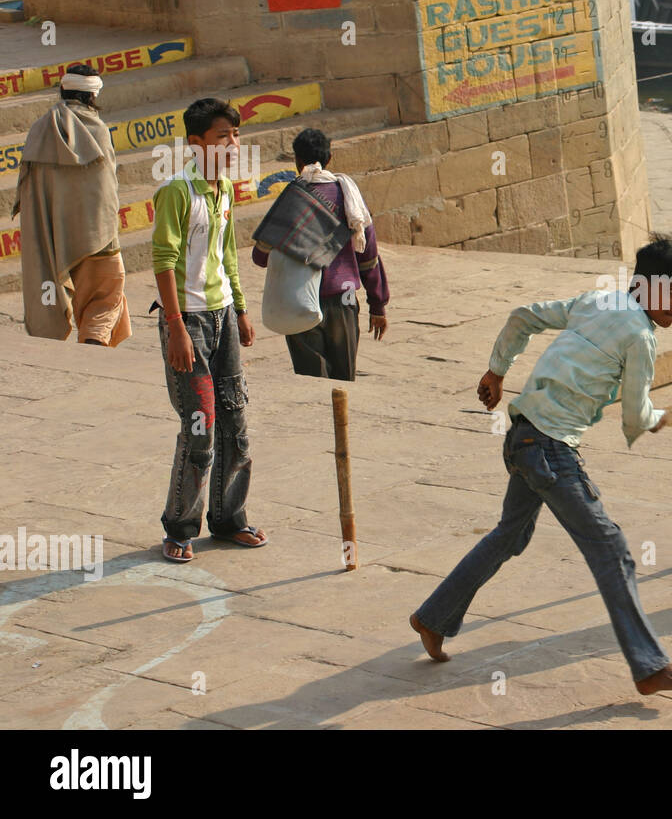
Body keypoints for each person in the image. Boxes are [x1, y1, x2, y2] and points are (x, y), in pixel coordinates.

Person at [410, 234, 672, 695]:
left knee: (510, 535)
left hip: (522, 438)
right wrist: (656, 418)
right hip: (549, 449)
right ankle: (649, 666)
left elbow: (523, 317)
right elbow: (634, 413)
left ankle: (433, 617)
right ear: (646, 286)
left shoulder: (598, 301)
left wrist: (497, 369)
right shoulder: (641, 338)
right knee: (611, 549)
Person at [151, 98, 265, 564]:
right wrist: (176, 327)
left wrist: (239, 308)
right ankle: (180, 526)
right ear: (196, 144)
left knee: (235, 421)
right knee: (200, 426)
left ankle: (228, 519)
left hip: (222, 319)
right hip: (189, 322)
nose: (233, 144)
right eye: (224, 137)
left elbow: (229, 254)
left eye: (236, 136)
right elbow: (163, 261)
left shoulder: (224, 191)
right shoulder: (178, 191)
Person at [251, 129, 389, 380]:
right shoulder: (350, 197)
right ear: (330, 158)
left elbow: (260, 256)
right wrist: (377, 305)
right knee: (344, 380)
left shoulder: (291, 198)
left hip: (299, 300)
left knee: (311, 381)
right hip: (344, 298)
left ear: (297, 161)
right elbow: (368, 256)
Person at [12, 64, 131, 346]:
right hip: (97, 237)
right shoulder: (98, 130)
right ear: (93, 96)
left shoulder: (39, 129)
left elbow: (30, 189)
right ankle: (93, 346)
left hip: (53, 235)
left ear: (63, 90)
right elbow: (105, 192)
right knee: (105, 297)